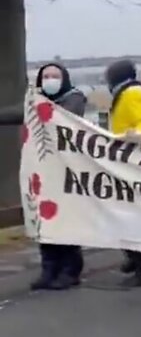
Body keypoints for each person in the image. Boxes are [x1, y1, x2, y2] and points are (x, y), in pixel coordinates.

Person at [105, 60, 141, 286]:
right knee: (129, 216)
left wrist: (134, 136)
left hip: (134, 162)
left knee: (135, 218)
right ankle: (137, 261)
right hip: (127, 161)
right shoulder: (128, 94)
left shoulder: (131, 95)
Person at [31, 63, 88, 291]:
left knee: (66, 219)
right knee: (44, 222)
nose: (50, 80)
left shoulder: (74, 99)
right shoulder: (33, 100)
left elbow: (62, 121)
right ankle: (48, 269)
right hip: (42, 170)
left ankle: (69, 270)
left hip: (67, 169)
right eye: (46, 76)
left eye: (55, 76)